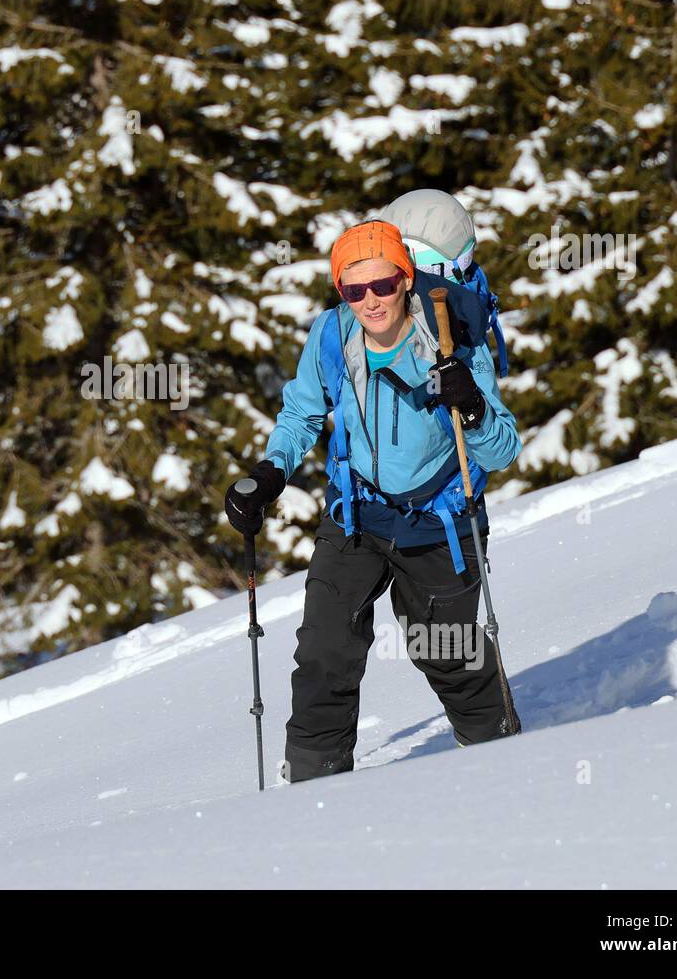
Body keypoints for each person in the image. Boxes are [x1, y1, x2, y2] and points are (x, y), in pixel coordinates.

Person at [224, 220, 523, 783]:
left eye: (382, 286)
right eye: (353, 290)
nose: (370, 301)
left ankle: (502, 760)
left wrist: (474, 407)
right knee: (322, 653)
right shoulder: (333, 336)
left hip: (441, 523)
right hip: (356, 516)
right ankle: (316, 789)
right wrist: (269, 474)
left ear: (406, 279)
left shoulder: (452, 341)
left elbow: (503, 448)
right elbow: (302, 413)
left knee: (446, 651)